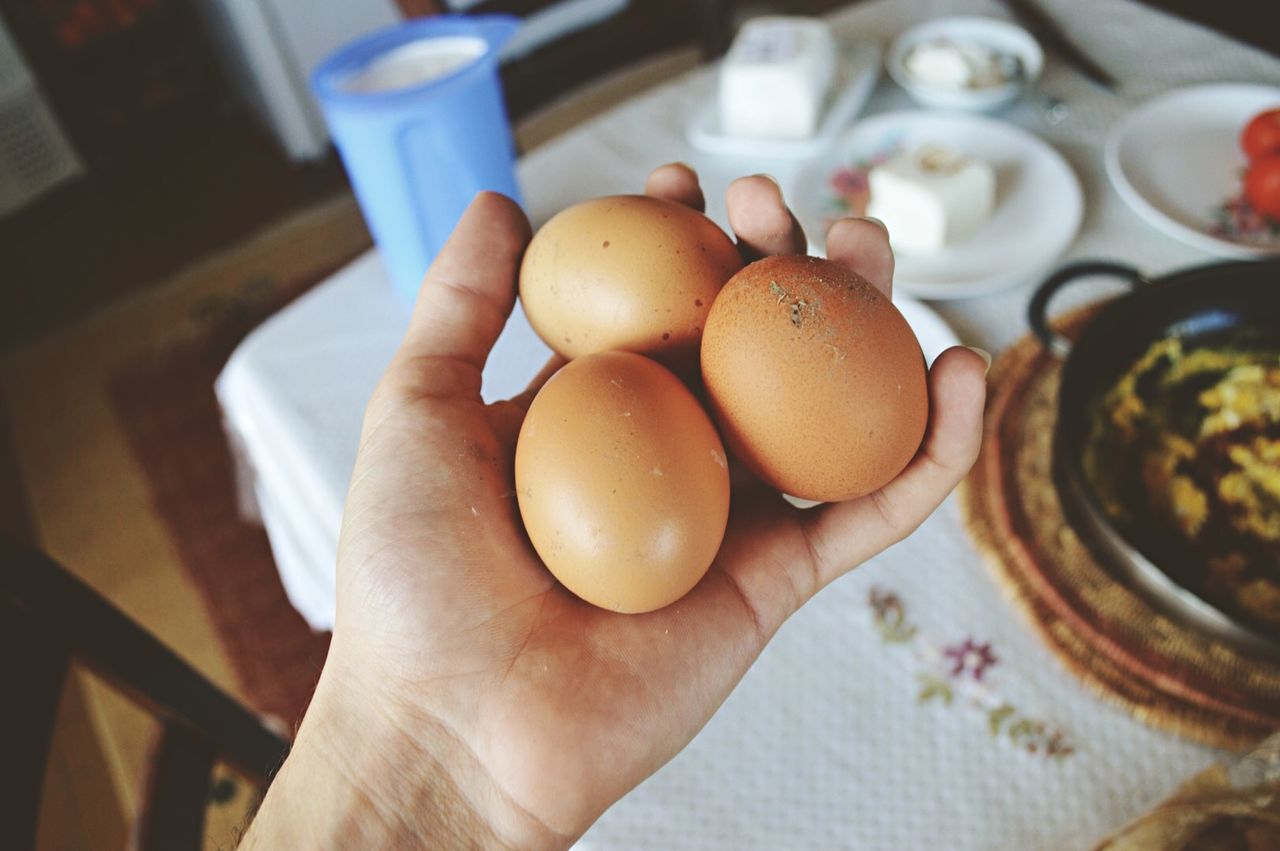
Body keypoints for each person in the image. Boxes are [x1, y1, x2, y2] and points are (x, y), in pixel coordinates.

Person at [241, 164, 989, 849]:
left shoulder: (725, 329)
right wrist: (412, 752)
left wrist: (405, 775)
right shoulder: (674, 350)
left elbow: (823, 394)